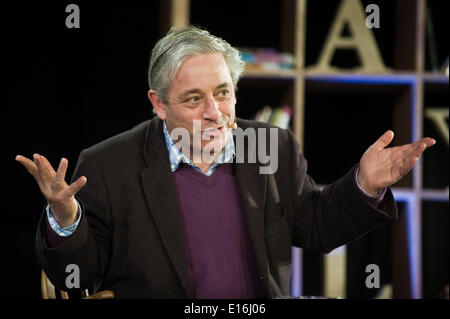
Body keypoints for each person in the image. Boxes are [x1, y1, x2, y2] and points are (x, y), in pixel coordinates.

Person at [16, 26, 436, 299]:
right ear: (158, 104)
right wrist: (65, 219)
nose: (215, 112)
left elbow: (315, 227)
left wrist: (364, 184)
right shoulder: (109, 165)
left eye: (223, 92)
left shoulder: (274, 146)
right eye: (194, 99)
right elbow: (79, 274)